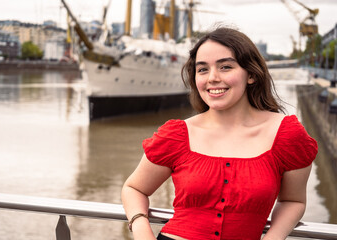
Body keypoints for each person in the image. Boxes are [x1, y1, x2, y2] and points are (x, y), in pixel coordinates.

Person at [121, 26, 318, 240]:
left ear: (251, 75)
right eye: (203, 69)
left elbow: (293, 201)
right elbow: (134, 188)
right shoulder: (177, 135)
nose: (212, 78)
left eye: (225, 67)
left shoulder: (287, 135)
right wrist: (141, 228)